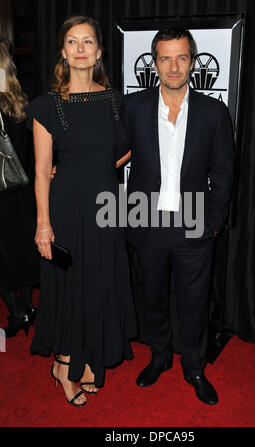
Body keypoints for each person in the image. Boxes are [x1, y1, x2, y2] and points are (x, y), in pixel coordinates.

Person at [26, 15, 136, 408]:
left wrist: (102, 170)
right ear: (63, 52)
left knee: (100, 282)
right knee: (69, 287)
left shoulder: (113, 100)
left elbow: (125, 150)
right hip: (67, 208)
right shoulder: (46, 105)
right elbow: (40, 170)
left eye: (87, 42)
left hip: (106, 208)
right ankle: (64, 363)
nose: (80, 49)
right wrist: (43, 225)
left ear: (99, 52)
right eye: (72, 42)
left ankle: (88, 359)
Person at [124, 28, 234, 405]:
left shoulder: (213, 112)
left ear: (192, 60)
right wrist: (67, 167)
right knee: (153, 298)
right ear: (154, 63)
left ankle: (195, 367)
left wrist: (213, 221)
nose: (174, 67)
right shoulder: (133, 107)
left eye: (182, 57)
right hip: (147, 224)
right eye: (166, 58)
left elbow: (223, 173)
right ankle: (158, 357)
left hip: (194, 224)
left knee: (193, 302)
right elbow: (109, 154)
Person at [0, 45, 39, 337]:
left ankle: (18, 312)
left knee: (8, 256)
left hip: (10, 192)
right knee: (22, 251)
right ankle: (27, 309)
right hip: (23, 192)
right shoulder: (20, 102)